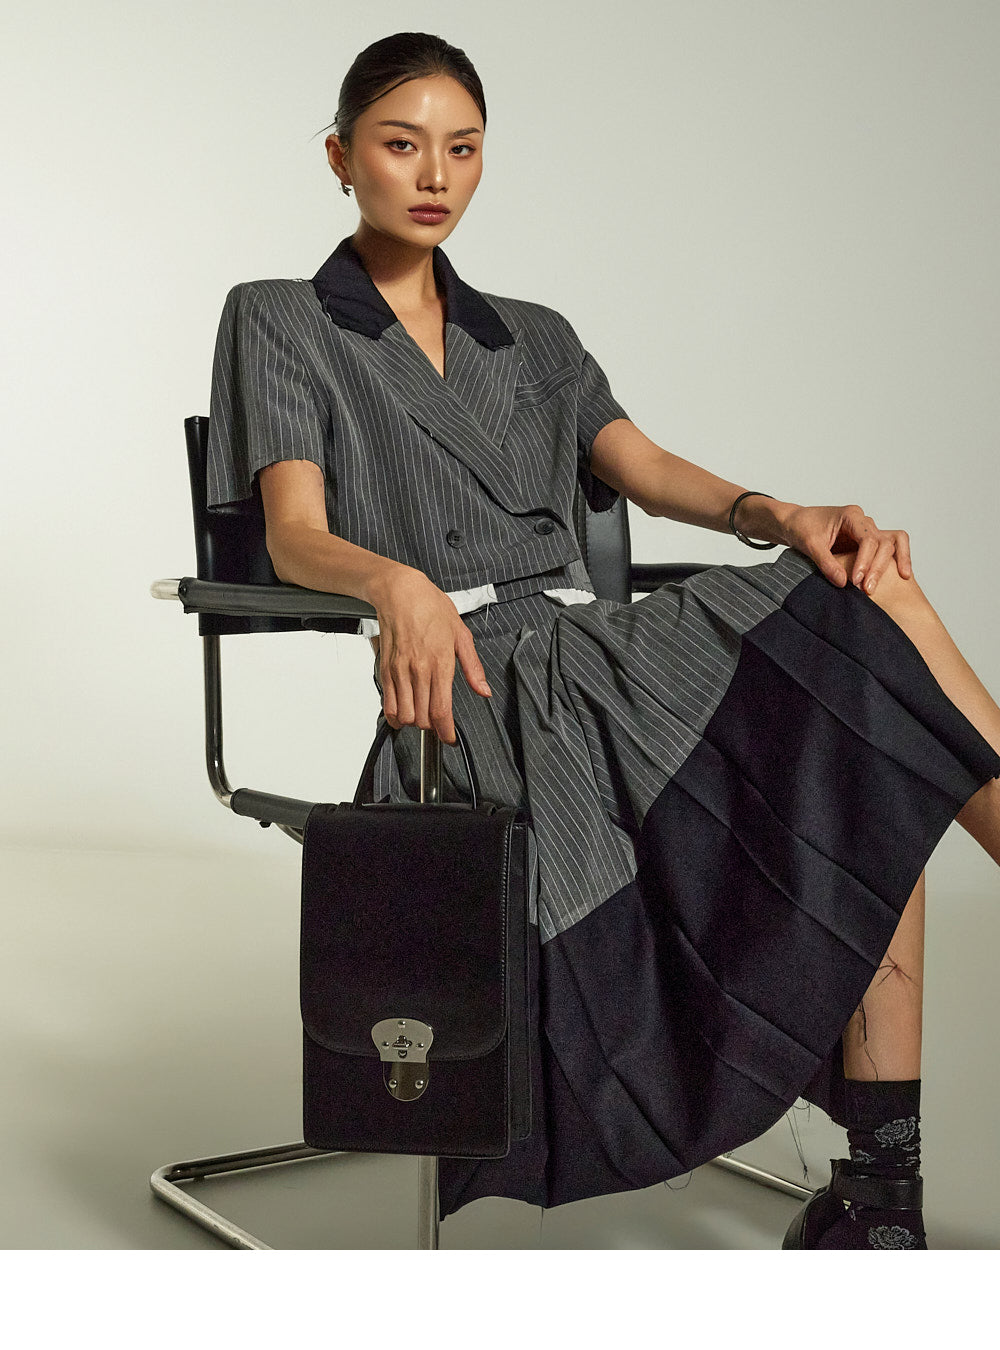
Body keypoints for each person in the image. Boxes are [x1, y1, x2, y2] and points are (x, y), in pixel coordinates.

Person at [204, 31, 1000, 1249]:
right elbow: (295, 533)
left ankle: (880, 1200)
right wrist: (396, 583)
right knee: (861, 704)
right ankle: (879, 1197)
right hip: (477, 691)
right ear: (340, 157)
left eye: (463, 148)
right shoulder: (281, 318)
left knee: (863, 685)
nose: (435, 174)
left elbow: (648, 468)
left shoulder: (534, 334)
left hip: (603, 659)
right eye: (401, 144)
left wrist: (779, 513)